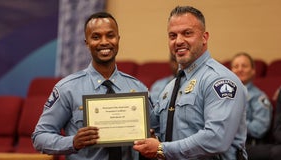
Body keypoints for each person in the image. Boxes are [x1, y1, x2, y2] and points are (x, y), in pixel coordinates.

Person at [133, 6, 247, 160]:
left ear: (204, 37)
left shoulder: (219, 81)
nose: (179, 41)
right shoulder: (170, 88)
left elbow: (216, 139)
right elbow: (158, 131)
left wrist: (162, 149)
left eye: (187, 33)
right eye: (173, 35)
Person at [32, 12, 148, 160]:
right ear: (86, 43)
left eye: (110, 35)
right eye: (96, 37)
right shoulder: (67, 88)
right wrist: (73, 142)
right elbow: (39, 137)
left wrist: (150, 137)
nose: (104, 42)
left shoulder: (138, 89)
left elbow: (154, 137)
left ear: (118, 39)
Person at [231, 52, 273, 146]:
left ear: (253, 70)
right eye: (236, 66)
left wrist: (233, 123)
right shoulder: (222, 93)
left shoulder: (259, 97)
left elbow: (260, 129)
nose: (240, 69)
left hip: (245, 145)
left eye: (244, 66)